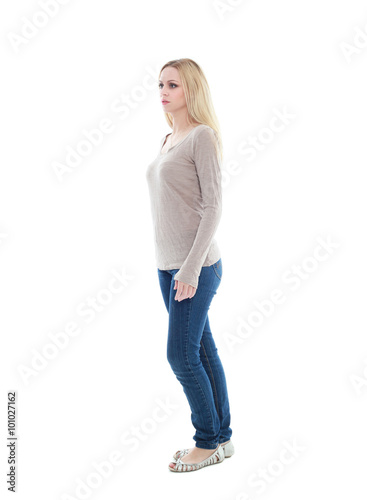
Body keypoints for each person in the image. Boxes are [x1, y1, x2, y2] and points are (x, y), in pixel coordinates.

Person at [145, 58, 234, 473]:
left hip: (194, 267)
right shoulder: (168, 138)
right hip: (169, 266)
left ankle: (206, 442)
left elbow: (213, 208)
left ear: (191, 90)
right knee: (202, 350)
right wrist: (174, 267)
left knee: (181, 357)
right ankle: (224, 438)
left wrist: (191, 269)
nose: (163, 91)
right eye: (161, 83)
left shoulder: (201, 136)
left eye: (173, 85)